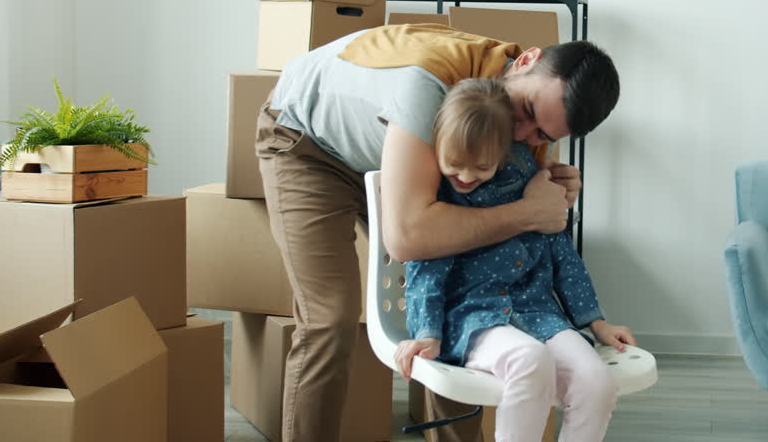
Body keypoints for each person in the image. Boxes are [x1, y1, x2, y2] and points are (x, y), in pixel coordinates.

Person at [255, 23, 620, 442]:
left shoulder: (523, 107)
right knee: (331, 316)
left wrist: (554, 193)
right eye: (528, 114)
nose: (521, 136)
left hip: (402, 149)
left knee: (464, 287)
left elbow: (530, 221)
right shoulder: (428, 85)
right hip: (309, 142)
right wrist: (527, 211)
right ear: (524, 61)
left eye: (543, 135)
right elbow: (411, 239)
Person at [395, 78, 634, 442]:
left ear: (503, 153)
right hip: (474, 318)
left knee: (595, 380)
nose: (465, 176)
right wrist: (427, 332)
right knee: (529, 360)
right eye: (454, 164)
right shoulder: (441, 198)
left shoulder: (531, 182)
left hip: (538, 313)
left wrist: (596, 322)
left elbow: (563, 257)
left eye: (482, 167)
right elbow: (425, 269)